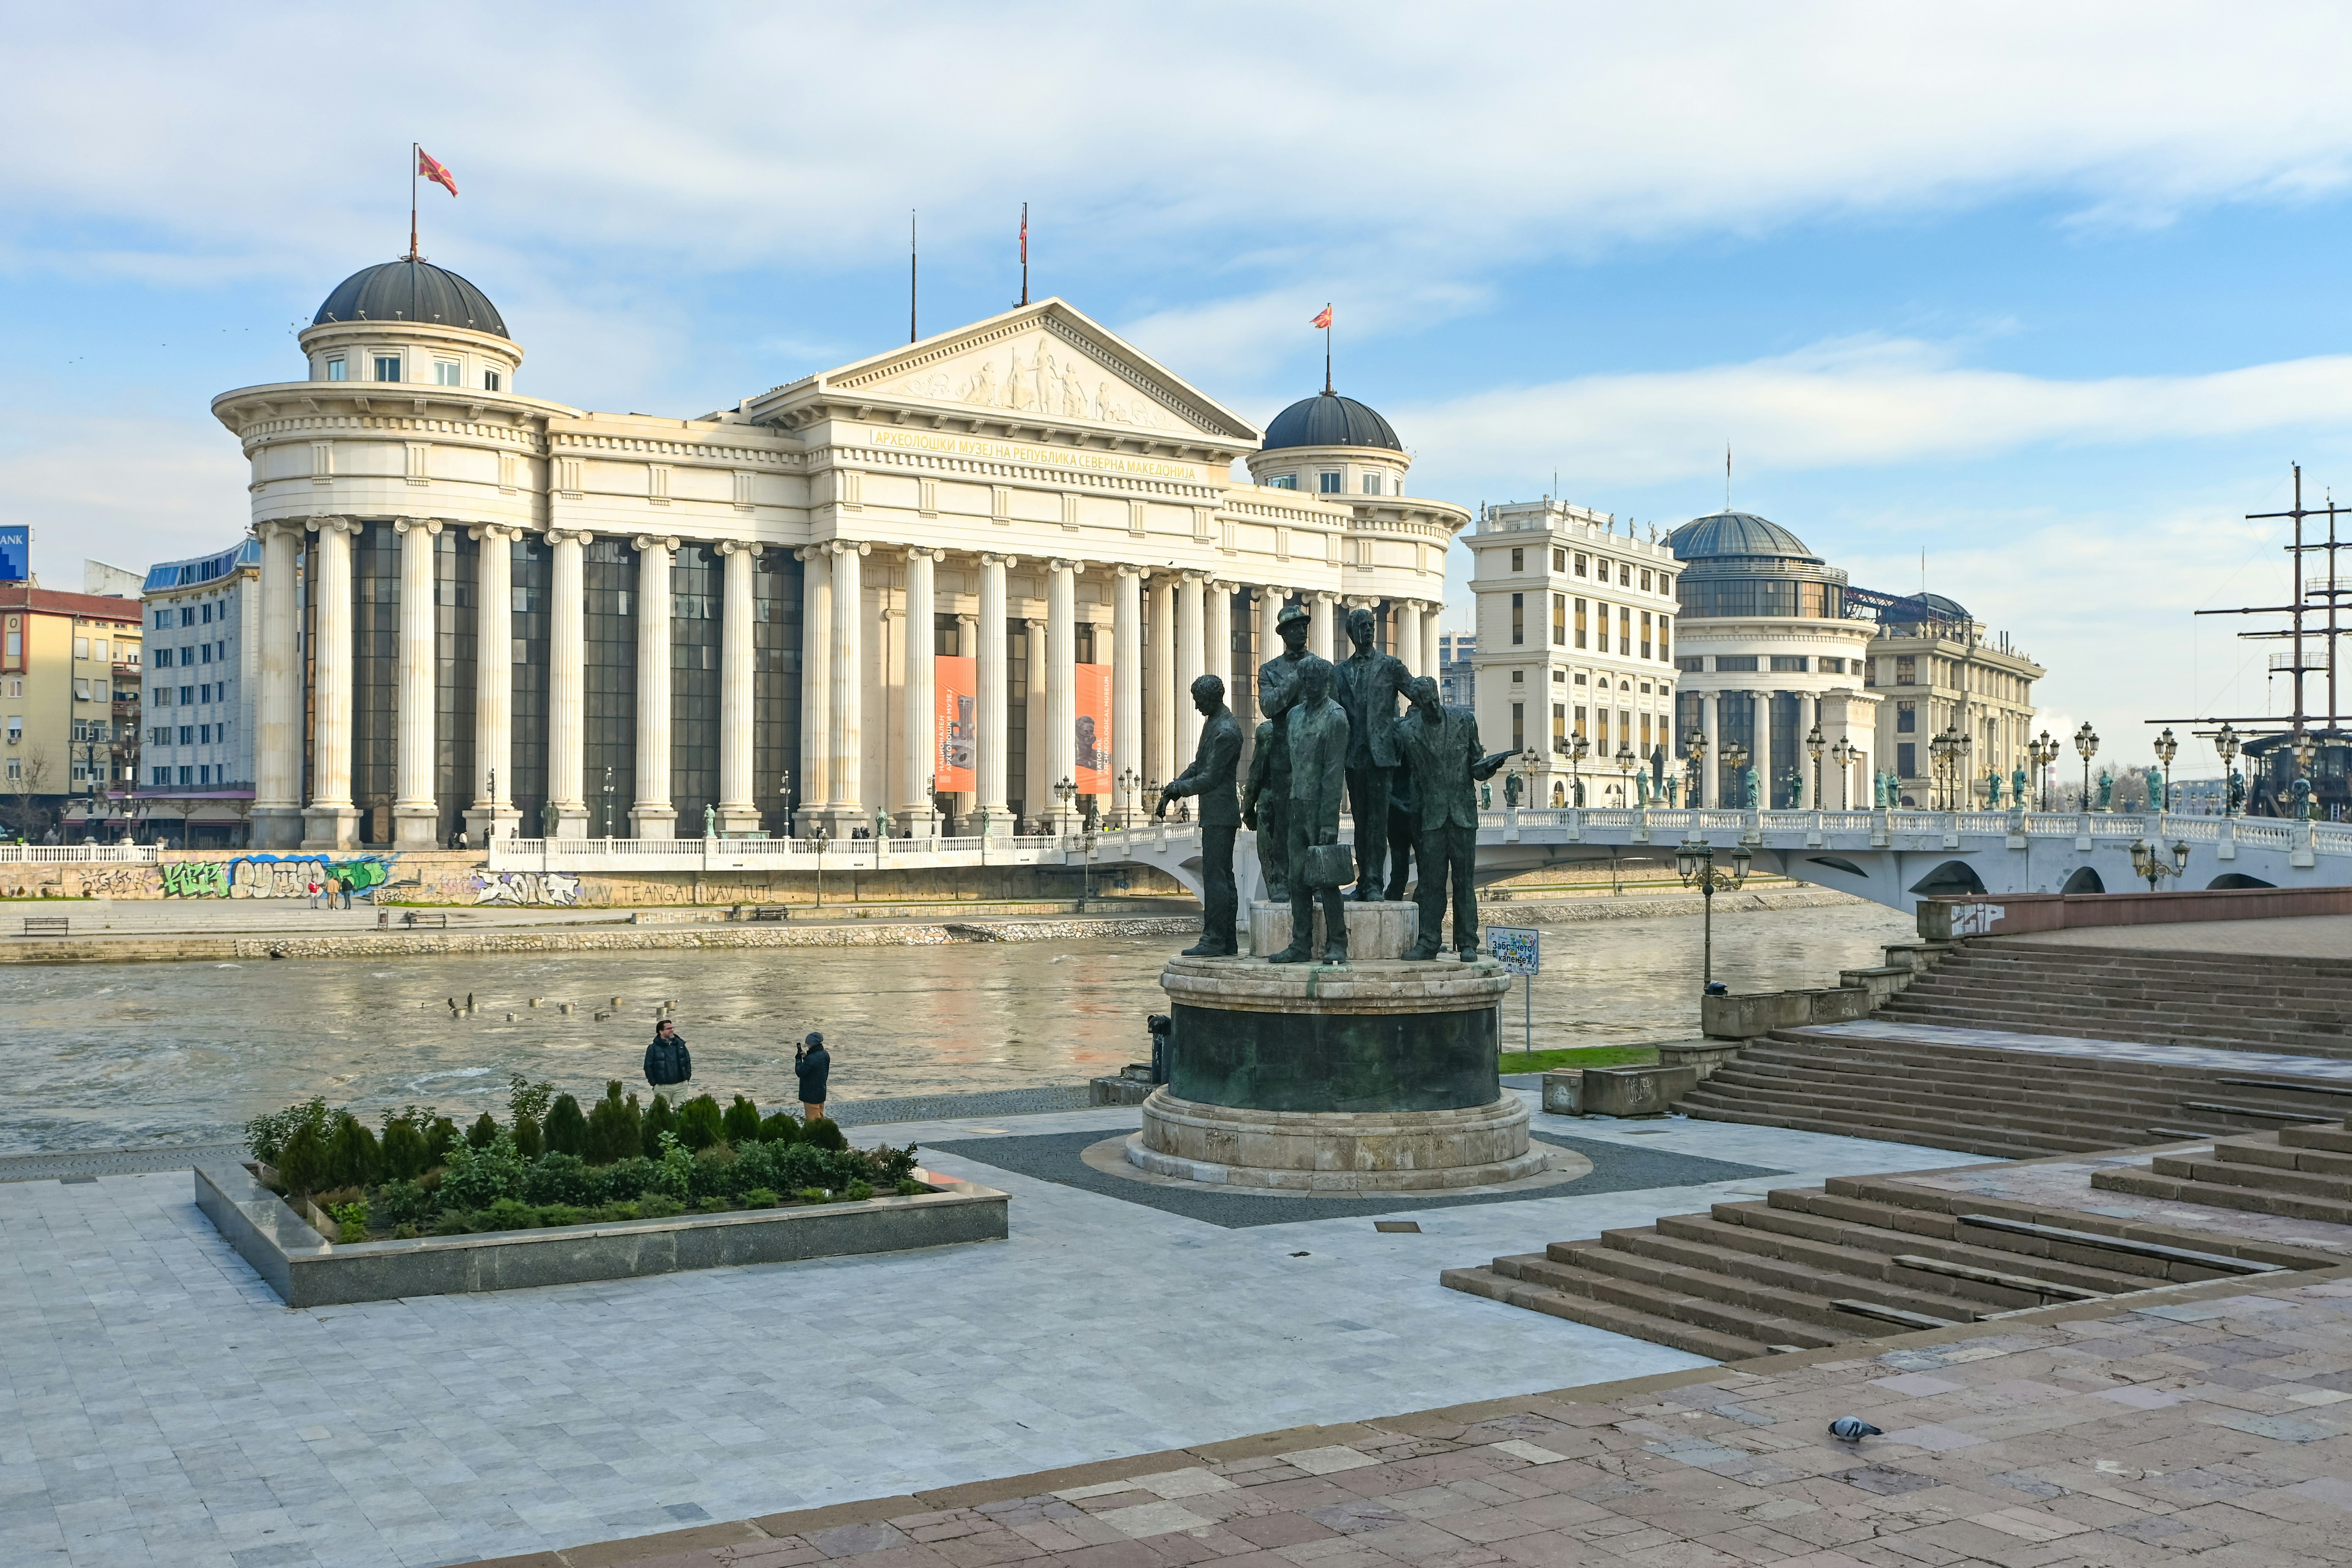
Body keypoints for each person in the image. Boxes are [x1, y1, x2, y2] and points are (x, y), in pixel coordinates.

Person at [1392, 676, 1508, 962]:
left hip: (1462, 814)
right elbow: (1400, 775)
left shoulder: (1464, 721)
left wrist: (1490, 768)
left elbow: (1475, 768)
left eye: (1434, 700)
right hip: (1430, 817)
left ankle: (1467, 942)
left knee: (1465, 882)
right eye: (1425, 703)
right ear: (1416, 704)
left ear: (1438, 696)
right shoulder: (1408, 732)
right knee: (1431, 883)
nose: (1432, 706)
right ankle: (1429, 941)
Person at [1268, 658, 1351, 966]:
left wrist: (1330, 821)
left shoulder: (1336, 717)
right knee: (1296, 879)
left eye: (1315, 681)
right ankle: (1300, 943)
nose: (1309, 686)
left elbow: (1334, 773)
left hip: (1320, 808)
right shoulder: (1294, 716)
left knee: (1326, 878)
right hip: (1296, 804)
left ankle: (1338, 943)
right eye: (1305, 680)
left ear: (1326, 682)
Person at [1160, 674, 1244, 956]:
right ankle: (1227, 941)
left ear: (1213, 698)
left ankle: (1215, 940)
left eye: (1199, 701)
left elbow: (1209, 778)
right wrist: (1173, 789)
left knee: (1216, 878)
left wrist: (1179, 788)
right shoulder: (1214, 724)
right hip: (1216, 813)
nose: (1197, 707)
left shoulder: (1227, 731)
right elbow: (1199, 765)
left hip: (1221, 814)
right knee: (1221, 877)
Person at [643, 1018, 691, 1093]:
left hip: (681, 1086)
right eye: (669, 1029)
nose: (672, 1030)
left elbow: (687, 1061)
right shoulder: (653, 1048)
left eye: (672, 1028)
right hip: (662, 1087)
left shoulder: (680, 1045)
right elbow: (648, 1066)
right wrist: (654, 1084)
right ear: (661, 1032)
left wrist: (687, 1079)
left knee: (681, 1106)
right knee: (663, 1106)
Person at [794, 1032, 830, 1119]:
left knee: (813, 1121)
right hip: (821, 1092)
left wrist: (799, 1060)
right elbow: (815, 1067)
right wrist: (806, 1058)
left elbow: (800, 1072)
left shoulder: (811, 1059)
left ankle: (817, 1133)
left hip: (811, 1095)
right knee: (820, 1118)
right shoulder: (825, 1054)